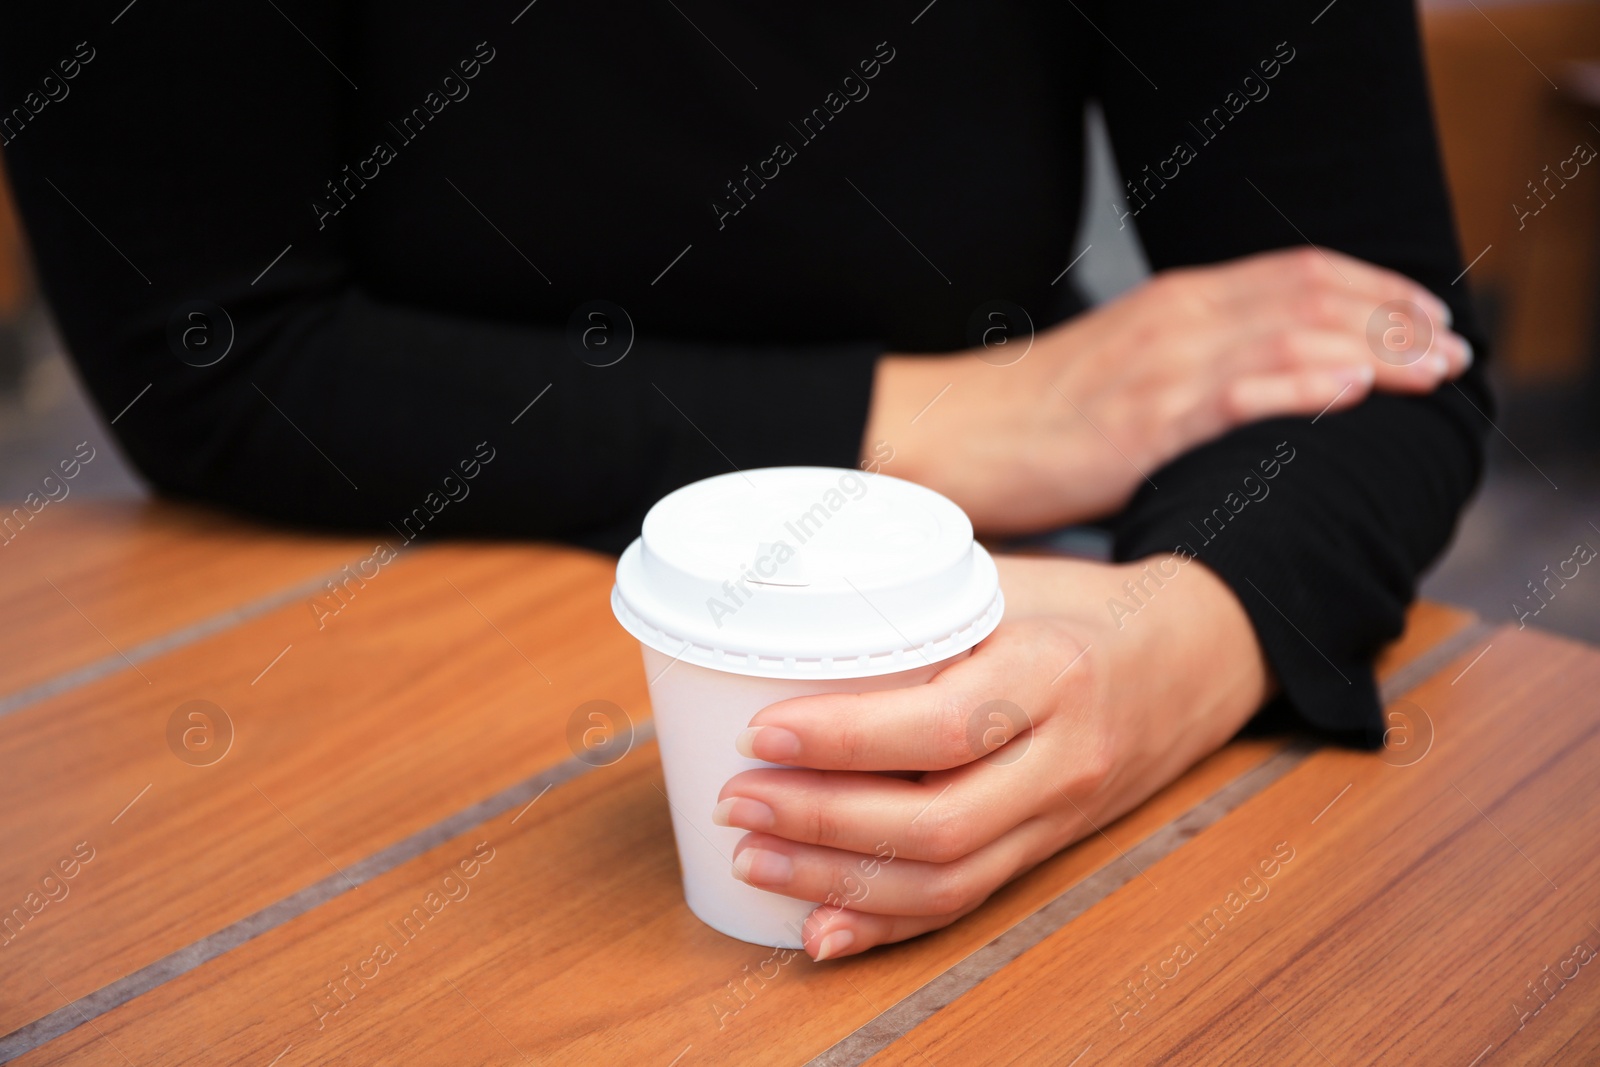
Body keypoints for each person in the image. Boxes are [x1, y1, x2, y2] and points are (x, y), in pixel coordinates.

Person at [0, 1, 1486, 962]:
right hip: (340, 636)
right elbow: (207, 350)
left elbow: (1376, 335)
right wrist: (963, 417)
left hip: (1024, 605)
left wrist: (1176, 642)